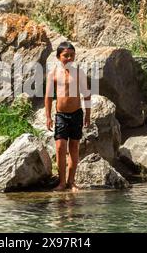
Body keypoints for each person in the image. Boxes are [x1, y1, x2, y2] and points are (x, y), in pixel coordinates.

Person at [45, 41, 91, 192]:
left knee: (74, 147)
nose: (69, 58)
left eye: (72, 55)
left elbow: (86, 95)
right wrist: (48, 117)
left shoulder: (79, 73)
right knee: (59, 147)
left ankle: (72, 182)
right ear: (59, 57)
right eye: (66, 55)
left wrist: (88, 115)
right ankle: (62, 182)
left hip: (77, 114)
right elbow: (48, 97)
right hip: (61, 115)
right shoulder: (53, 74)